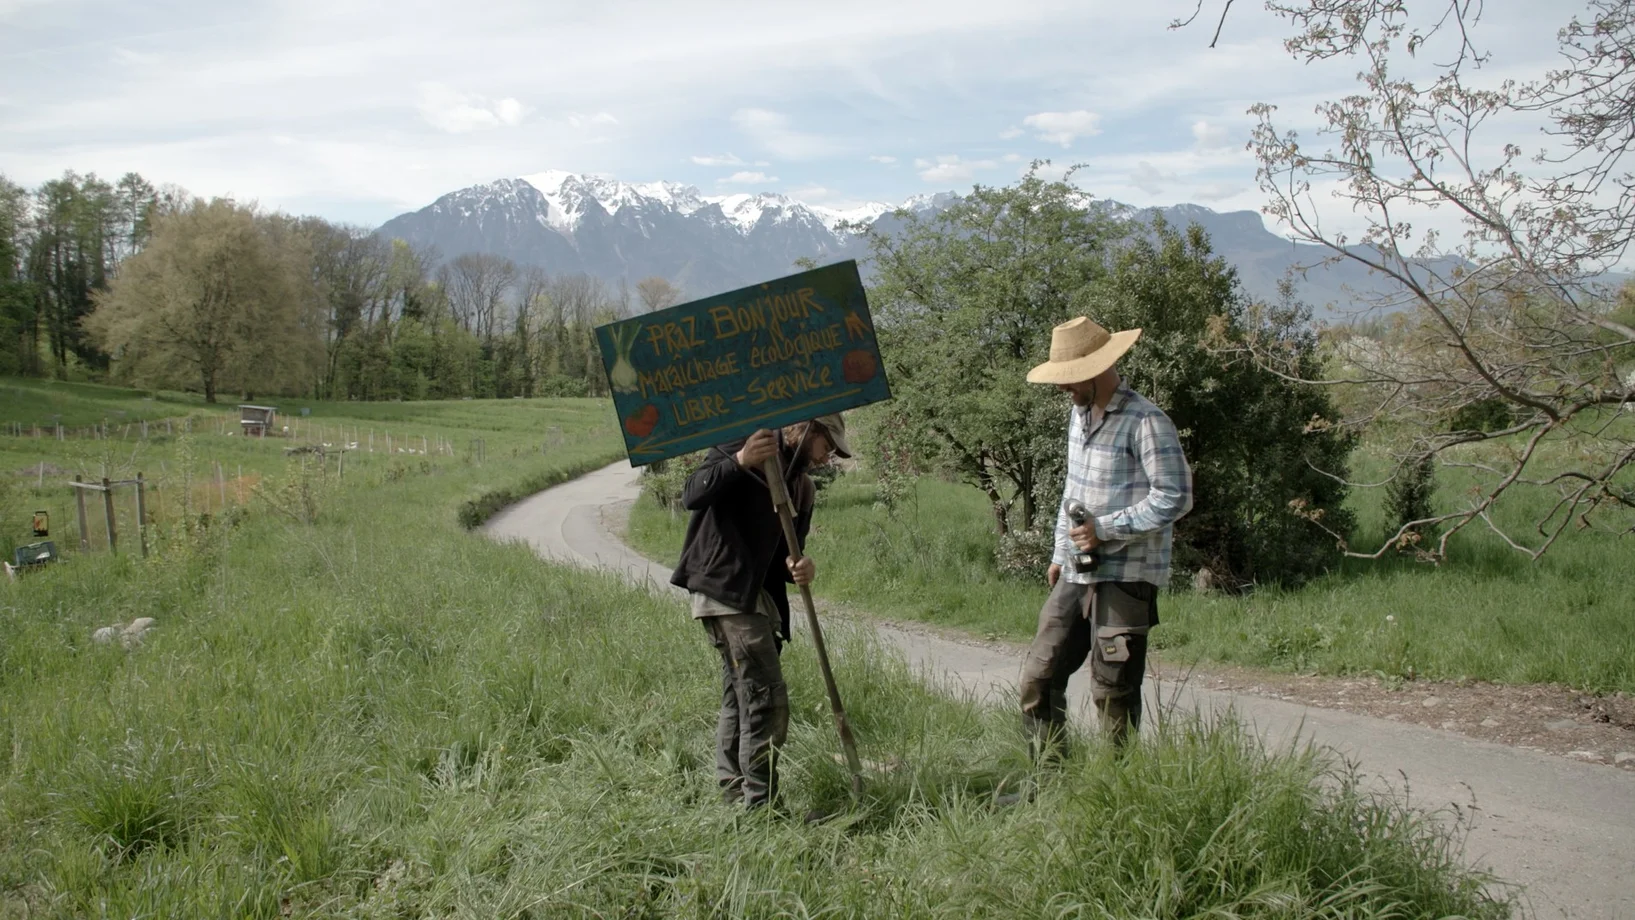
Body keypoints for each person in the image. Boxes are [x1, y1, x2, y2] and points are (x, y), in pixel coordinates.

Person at [1021, 317, 1193, 756]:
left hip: (1127, 576)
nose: (1063, 387)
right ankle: (1047, 778)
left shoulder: (1146, 421)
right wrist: (1060, 551)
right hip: (1076, 573)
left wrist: (1105, 530)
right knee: (1038, 677)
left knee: (1113, 692)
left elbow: (1176, 496)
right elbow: (1073, 490)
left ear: (1097, 369)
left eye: (1070, 377)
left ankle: (1115, 787)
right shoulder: (1077, 416)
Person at [670, 413, 853, 809]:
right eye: (827, 446)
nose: (827, 458)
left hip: (760, 600)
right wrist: (740, 460)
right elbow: (692, 494)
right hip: (724, 587)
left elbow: (789, 554)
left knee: (741, 697)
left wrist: (800, 567)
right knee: (766, 700)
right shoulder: (746, 440)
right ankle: (762, 807)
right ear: (807, 429)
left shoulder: (802, 487)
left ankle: (734, 793)